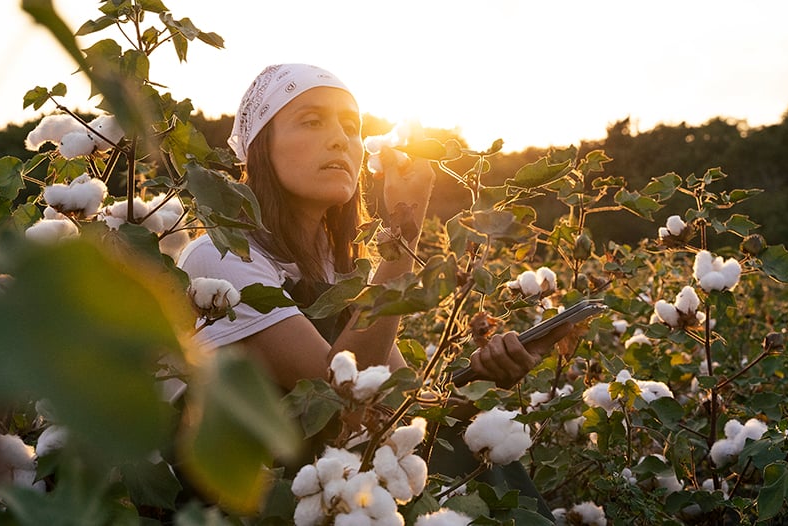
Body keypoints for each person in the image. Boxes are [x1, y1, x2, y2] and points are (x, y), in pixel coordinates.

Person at [177, 64, 572, 518]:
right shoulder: (222, 257)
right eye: (312, 121)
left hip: (339, 486)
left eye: (352, 127)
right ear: (260, 147)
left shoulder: (343, 273)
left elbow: (404, 410)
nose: (340, 139)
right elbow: (343, 396)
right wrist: (404, 233)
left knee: (472, 457)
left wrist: (485, 377)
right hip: (261, 501)